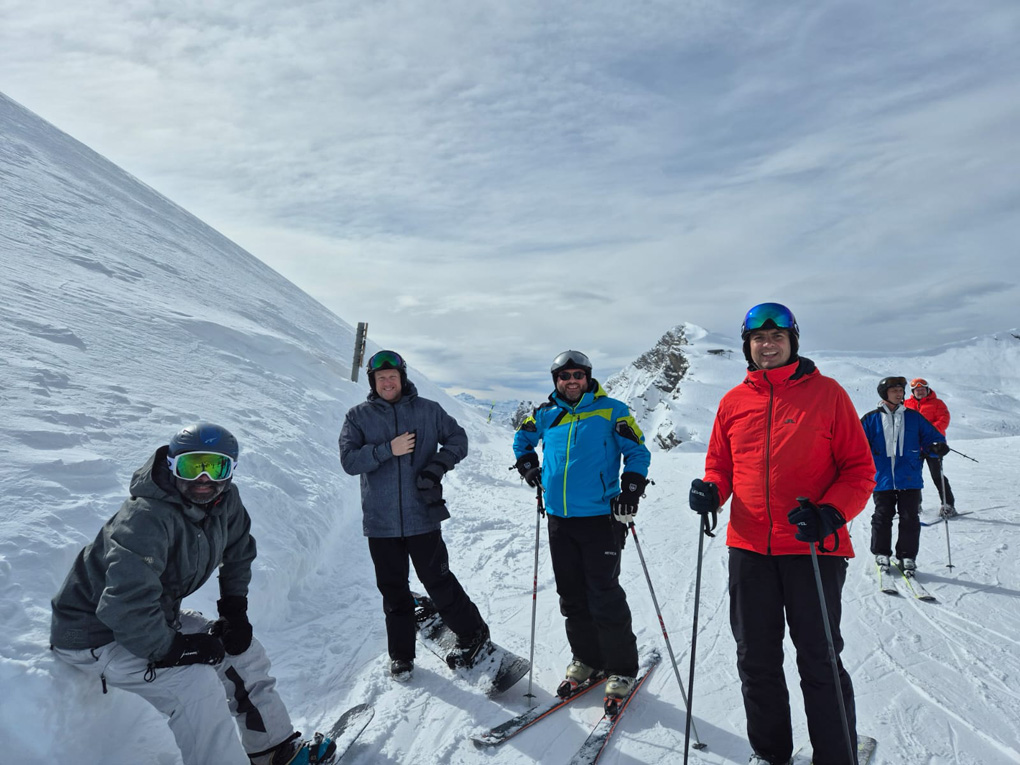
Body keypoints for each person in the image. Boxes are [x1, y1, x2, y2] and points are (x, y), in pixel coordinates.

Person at [50, 423, 335, 765]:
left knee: (243, 654)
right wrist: (173, 648)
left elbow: (239, 550)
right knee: (195, 686)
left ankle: (273, 751)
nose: (203, 478)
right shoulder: (146, 518)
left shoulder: (224, 501)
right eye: (191, 465)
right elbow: (123, 605)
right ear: (172, 467)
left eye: (215, 467)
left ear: (231, 471)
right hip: (96, 633)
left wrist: (234, 610)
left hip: (151, 618)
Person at [688, 303, 876, 765]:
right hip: (749, 548)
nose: (767, 344)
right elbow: (721, 465)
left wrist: (831, 513)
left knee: (819, 659)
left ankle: (836, 756)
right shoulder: (734, 401)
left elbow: (859, 469)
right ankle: (770, 755)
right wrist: (712, 490)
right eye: (758, 338)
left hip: (813, 547)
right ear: (747, 346)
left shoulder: (828, 394)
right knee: (756, 660)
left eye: (777, 336)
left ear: (792, 342)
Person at [512, 350, 651, 711]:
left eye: (578, 375)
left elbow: (637, 451)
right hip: (559, 518)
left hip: (600, 518)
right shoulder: (546, 414)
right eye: (564, 376)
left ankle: (620, 668)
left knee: (603, 593)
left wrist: (631, 489)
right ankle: (587, 659)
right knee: (571, 594)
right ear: (556, 380)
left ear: (588, 377)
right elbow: (522, 440)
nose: (571, 381)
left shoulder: (612, 410)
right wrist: (529, 468)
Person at [339, 350, 489, 681]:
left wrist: (437, 465)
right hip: (381, 524)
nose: (387, 382)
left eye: (392, 377)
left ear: (403, 378)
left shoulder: (428, 411)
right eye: (381, 379)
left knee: (438, 580)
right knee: (393, 591)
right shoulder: (358, 417)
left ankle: (473, 632)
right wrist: (385, 450)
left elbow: (458, 439)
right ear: (373, 383)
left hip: (423, 517)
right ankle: (401, 656)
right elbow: (349, 462)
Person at [861, 377, 948, 576]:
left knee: (910, 518)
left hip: (909, 476)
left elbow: (932, 437)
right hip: (882, 477)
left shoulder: (914, 417)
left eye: (901, 390)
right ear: (885, 394)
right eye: (894, 391)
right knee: (882, 516)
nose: (899, 394)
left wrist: (937, 447)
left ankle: (907, 556)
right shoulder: (871, 419)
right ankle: (881, 553)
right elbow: (857, 442)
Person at [903, 377, 957, 517]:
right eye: (917, 390)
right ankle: (915, 504)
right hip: (914, 447)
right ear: (913, 392)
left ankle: (948, 505)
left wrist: (928, 432)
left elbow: (943, 420)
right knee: (913, 476)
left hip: (934, 446)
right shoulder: (906, 404)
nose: (920, 392)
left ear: (927, 390)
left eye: (922, 389)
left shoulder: (937, 403)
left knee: (937, 475)